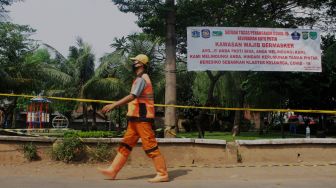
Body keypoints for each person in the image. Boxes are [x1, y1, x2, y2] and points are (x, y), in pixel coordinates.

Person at [98, 54, 169, 183]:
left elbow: (132, 96)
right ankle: (113, 170)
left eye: (135, 61)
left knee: (150, 146)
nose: (133, 63)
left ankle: (162, 173)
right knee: (125, 145)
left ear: (141, 64)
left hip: (142, 118)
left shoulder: (142, 79)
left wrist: (114, 104)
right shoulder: (139, 78)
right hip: (135, 119)